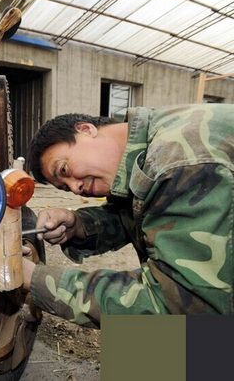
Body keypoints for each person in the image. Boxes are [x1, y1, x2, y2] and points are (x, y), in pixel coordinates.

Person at [22, 104, 233, 328]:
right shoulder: (152, 143)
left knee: (142, 355)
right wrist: (78, 224)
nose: (75, 188)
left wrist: (35, 279)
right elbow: (144, 215)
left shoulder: (178, 162)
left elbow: (183, 307)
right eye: (65, 188)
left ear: (86, 129)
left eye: (64, 170)